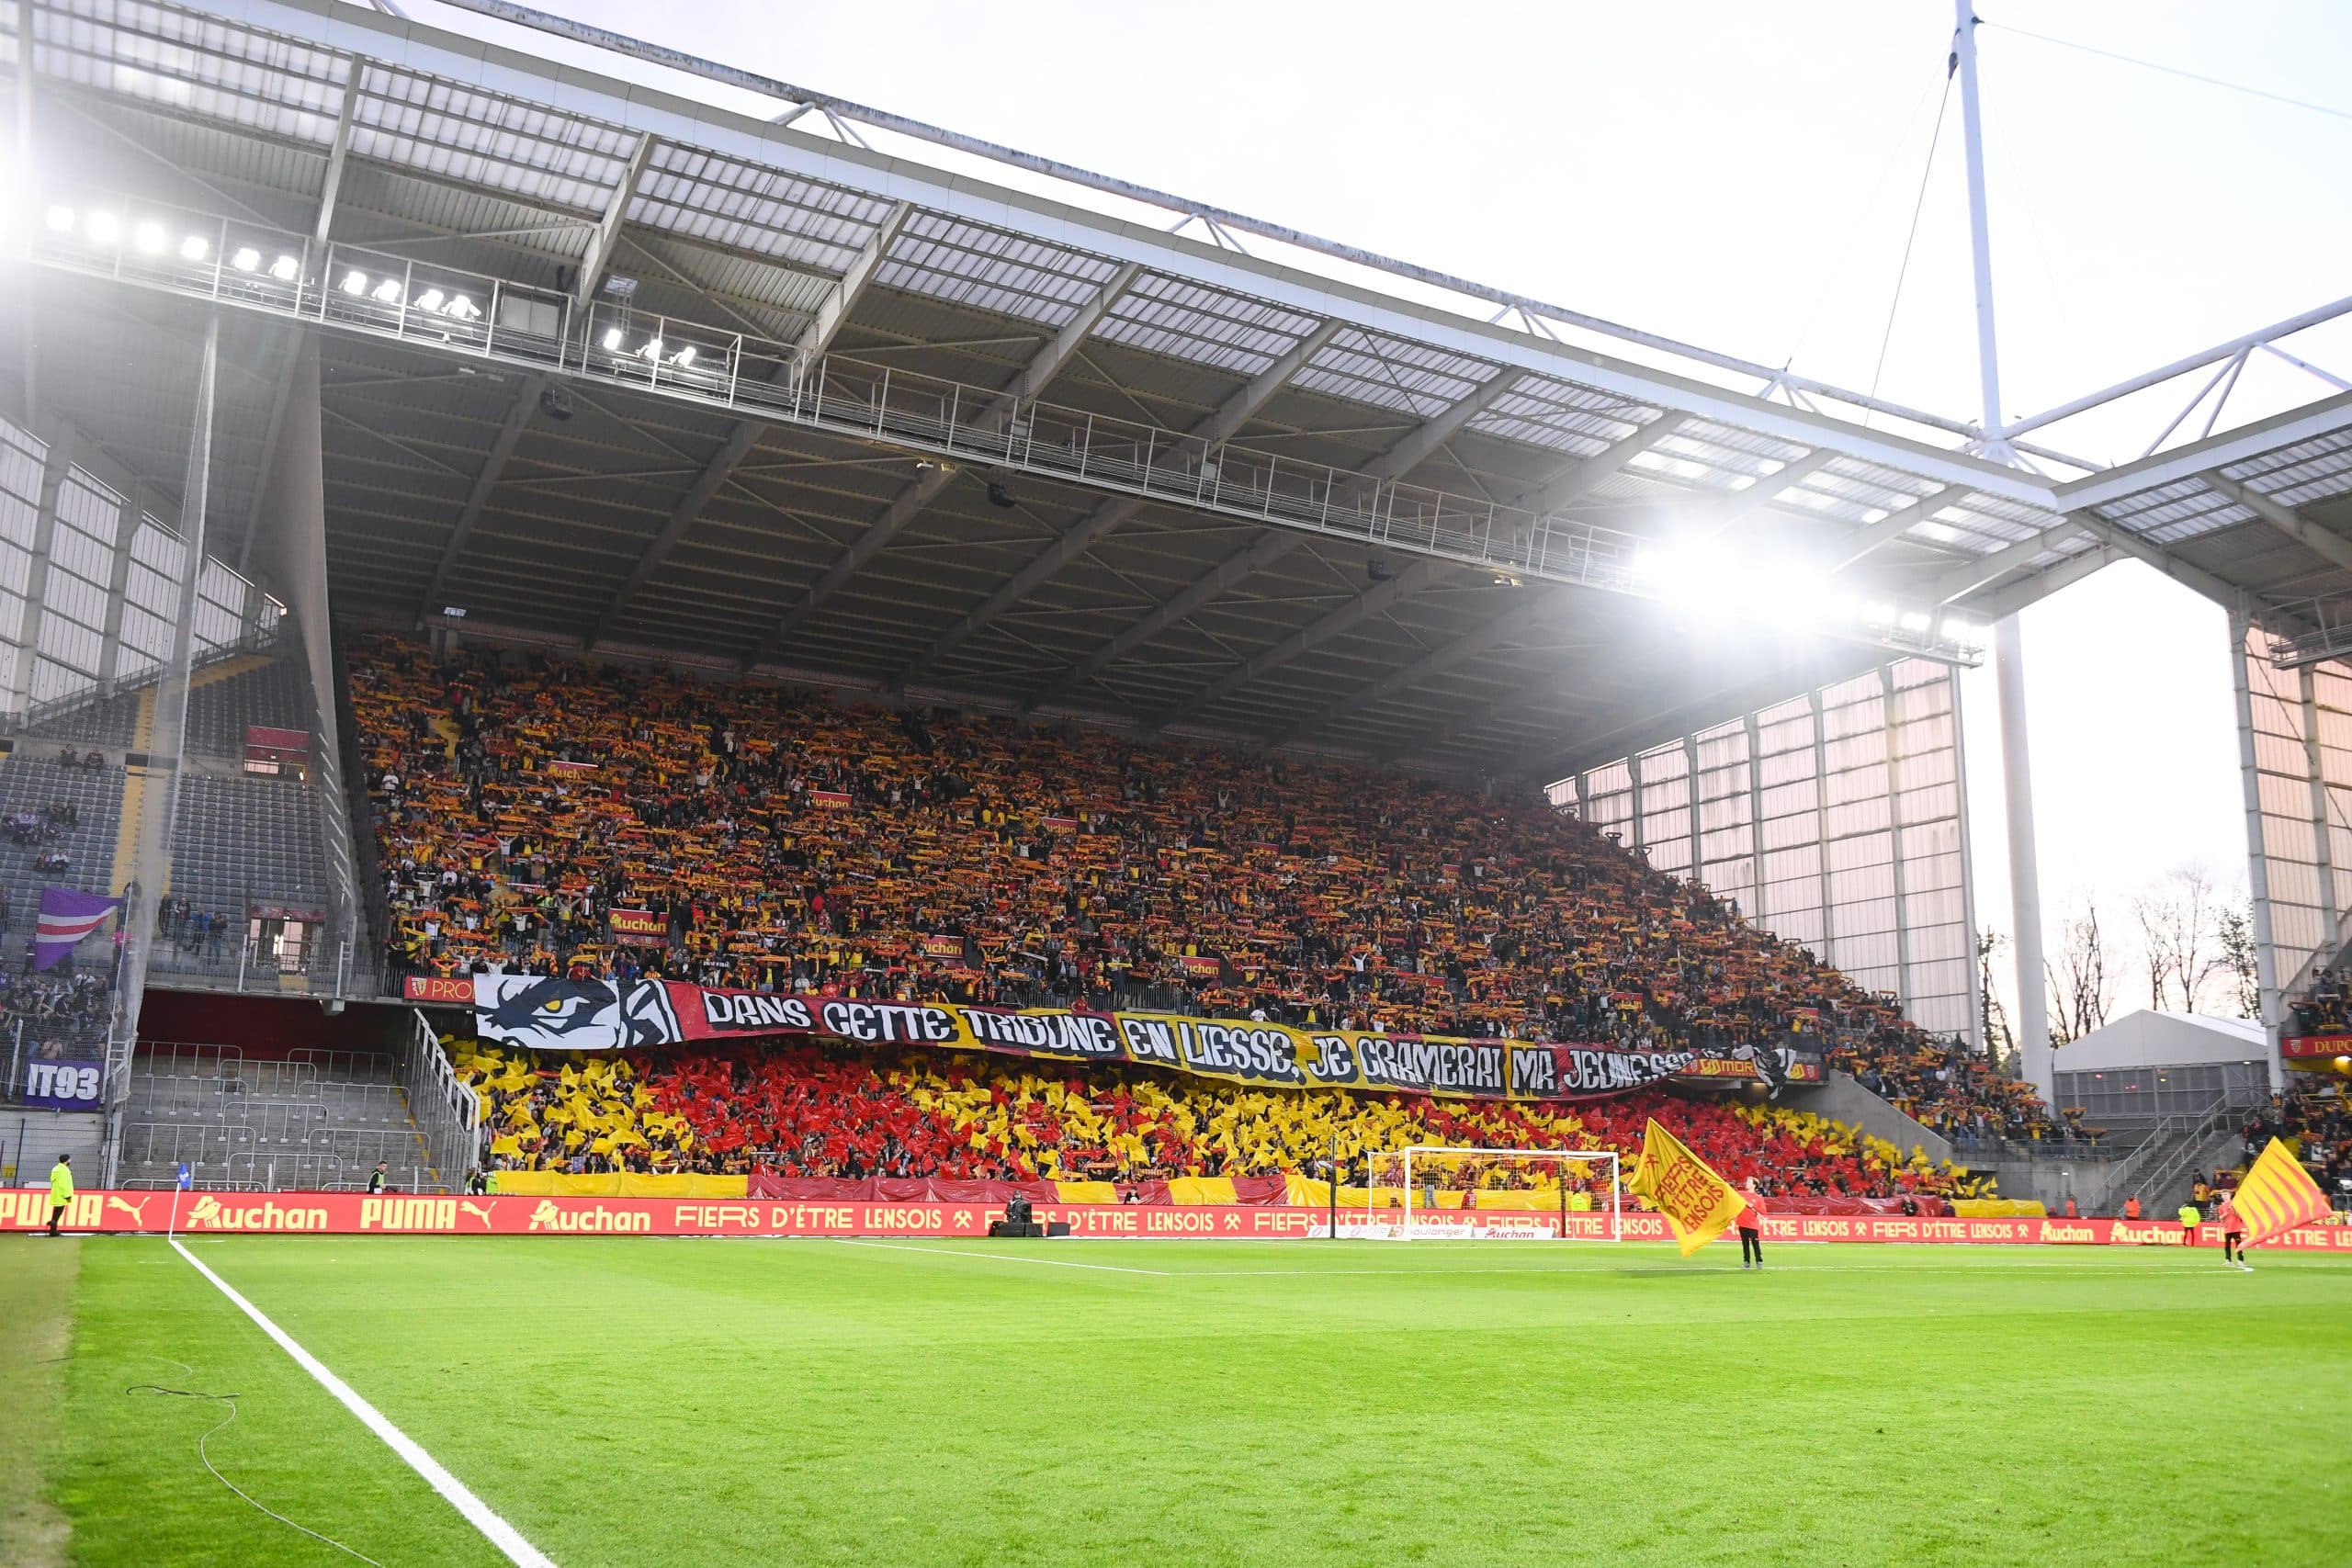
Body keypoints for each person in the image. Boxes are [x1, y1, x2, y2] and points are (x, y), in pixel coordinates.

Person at [2217, 1191, 2251, 1271]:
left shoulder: (2235, 1204)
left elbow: (2239, 1215)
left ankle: (2240, 1260)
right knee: (2227, 1245)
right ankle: (2228, 1260)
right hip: (2227, 1228)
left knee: (2238, 1244)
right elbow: (2220, 1218)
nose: (2224, 1196)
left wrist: (2234, 1209)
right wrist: (2223, 1216)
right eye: (2223, 1195)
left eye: (2226, 1194)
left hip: (2236, 1227)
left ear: (2230, 1195)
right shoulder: (2221, 1207)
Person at [1736, 1182, 1765, 1270]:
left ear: (1754, 1185)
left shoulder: (1758, 1198)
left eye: (1749, 1182)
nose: (1746, 1183)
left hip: (1752, 1224)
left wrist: (1753, 1206)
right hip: (1742, 1222)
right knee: (1745, 1244)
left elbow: (1763, 1211)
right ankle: (1746, 1261)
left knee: (1755, 1244)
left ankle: (1759, 1261)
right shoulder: (1741, 1194)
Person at [47, 1153, 73, 1236]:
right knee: (58, 1213)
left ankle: (53, 1229)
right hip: (62, 1196)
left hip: (56, 1195)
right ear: (66, 1161)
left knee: (56, 1213)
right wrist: (67, 1196)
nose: (70, 1160)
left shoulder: (56, 1169)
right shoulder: (64, 1171)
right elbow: (63, 1185)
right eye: (69, 1159)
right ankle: (53, 1230)